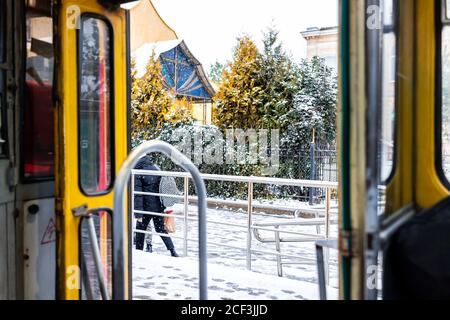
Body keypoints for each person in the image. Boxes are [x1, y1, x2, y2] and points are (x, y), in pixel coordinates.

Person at [134, 155, 181, 257]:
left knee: (140, 229)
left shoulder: (137, 172)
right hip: (158, 206)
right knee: (160, 229)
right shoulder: (155, 168)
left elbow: (138, 195)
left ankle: (138, 252)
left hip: (146, 207)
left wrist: (138, 214)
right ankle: (172, 251)